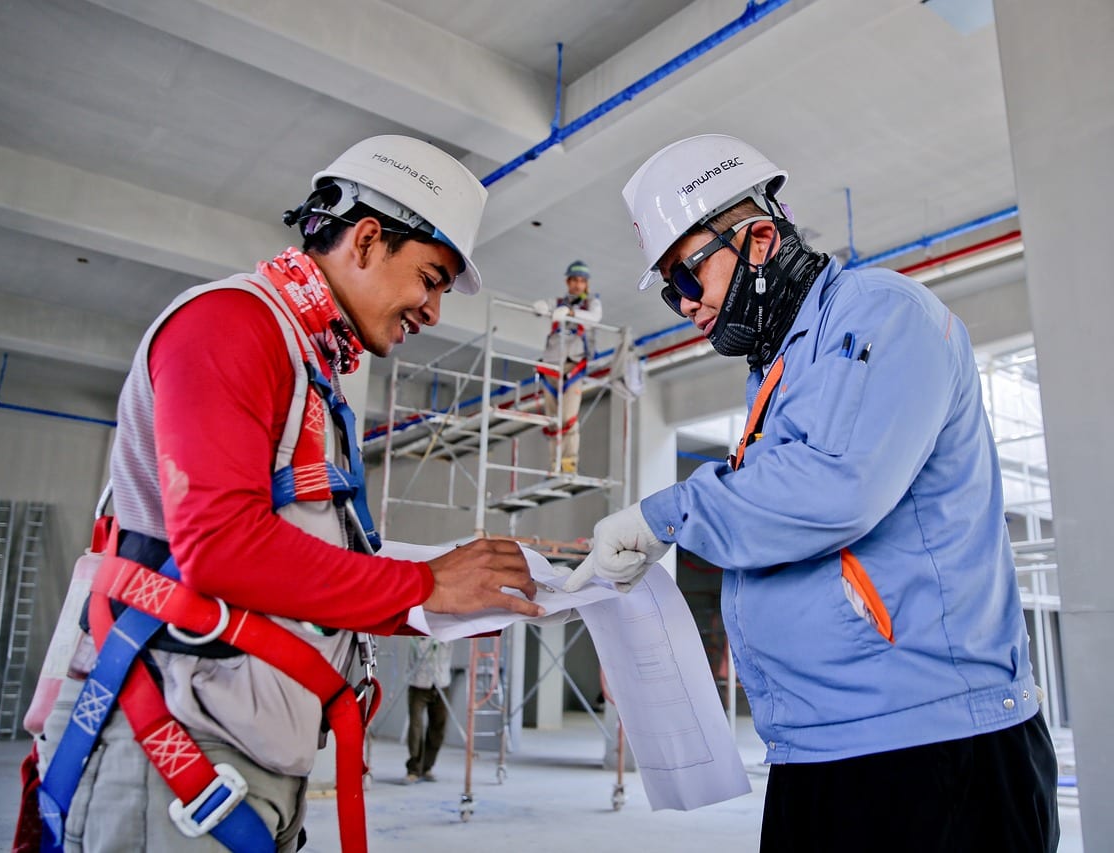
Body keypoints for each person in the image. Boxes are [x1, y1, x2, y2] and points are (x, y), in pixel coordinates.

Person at [32, 135, 543, 853]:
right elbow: (219, 546)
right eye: (429, 278)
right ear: (367, 240)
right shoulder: (230, 324)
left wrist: (453, 596)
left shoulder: (310, 368)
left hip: (240, 761)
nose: (432, 311)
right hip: (173, 756)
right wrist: (424, 584)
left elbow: (291, 574)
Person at [566, 134, 1059, 851]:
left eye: (686, 278)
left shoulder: (882, 314)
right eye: (670, 291)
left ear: (759, 238)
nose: (685, 306)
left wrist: (662, 517)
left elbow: (837, 487)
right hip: (823, 748)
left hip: (934, 747)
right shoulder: (782, 369)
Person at [534, 260, 603, 474]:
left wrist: (571, 314)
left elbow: (594, 318)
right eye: (574, 280)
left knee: (568, 419)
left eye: (582, 281)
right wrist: (543, 307)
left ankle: (568, 463)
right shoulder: (558, 302)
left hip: (573, 366)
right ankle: (555, 464)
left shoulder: (592, 304)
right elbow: (542, 307)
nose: (578, 285)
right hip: (551, 366)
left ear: (586, 284)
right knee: (553, 420)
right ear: (568, 281)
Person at [403, 637, 453, 784]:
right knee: (415, 727)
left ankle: (427, 766)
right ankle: (414, 768)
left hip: (441, 683)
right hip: (418, 683)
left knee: (438, 727)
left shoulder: (448, 632)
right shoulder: (417, 632)